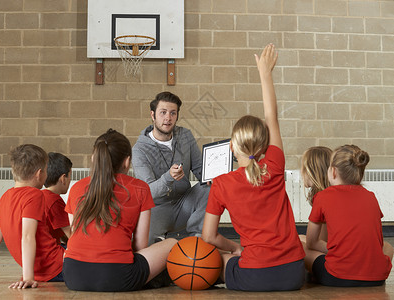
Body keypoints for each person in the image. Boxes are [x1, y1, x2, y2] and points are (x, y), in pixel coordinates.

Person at [201, 44, 305, 291]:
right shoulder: (275, 164)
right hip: (294, 275)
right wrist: (265, 73)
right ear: (264, 147)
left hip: (253, 275)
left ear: (231, 148)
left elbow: (209, 237)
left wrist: (236, 248)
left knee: (213, 261)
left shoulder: (221, 183)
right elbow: (272, 117)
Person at [63, 129, 177, 292]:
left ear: (95, 159)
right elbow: (140, 246)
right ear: (127, 161)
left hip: (73, 276)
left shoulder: (76, 187)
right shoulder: (140, 188)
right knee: (172, 243)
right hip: (118, 277)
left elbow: (74, 233)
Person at [0, 144, 65, 288]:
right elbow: (27, 236)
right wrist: (28, 277)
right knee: (91, 252)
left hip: (41, 269)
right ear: (39, 174)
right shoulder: (35, 195)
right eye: (46, 170)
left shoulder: (4, 197)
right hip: (56, 267)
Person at [304, 144, 393, 287]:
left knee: (301, 247)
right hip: (377, 278)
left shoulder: (322, 196)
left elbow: (311, 243)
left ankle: (315, 274)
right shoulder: (371, 197)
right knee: (388, 246)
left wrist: (341, 251)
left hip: (337, 277)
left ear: (332, 171)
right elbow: (377, 241)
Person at [132, 91, 210, 244]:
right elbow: (148, 192)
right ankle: (159, 240)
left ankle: (197, 239)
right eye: (163, 113)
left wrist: (214, 175)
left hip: (185, 203)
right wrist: (168, 178)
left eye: (173, 113)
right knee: (141, 247)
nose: (168, 118)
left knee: (210, 188)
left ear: (177, 116)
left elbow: (200, 169)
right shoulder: (139, 150)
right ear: (153, 115)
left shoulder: (185, 135)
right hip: (157, 209)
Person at [299, 146, 332, 244]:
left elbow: (321, 241)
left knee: (297, 245)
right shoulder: (329, 194)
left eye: (303, 168)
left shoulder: (324, 198)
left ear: (312, 172)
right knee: (299, 238)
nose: (301, 172)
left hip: (337, 253)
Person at [42, 152, 72, 245]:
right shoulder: (55, 201)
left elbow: (60, 229)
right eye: (70, 176)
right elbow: (71, 235)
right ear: (63, 178)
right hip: (50, 252)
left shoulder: (41, 195)